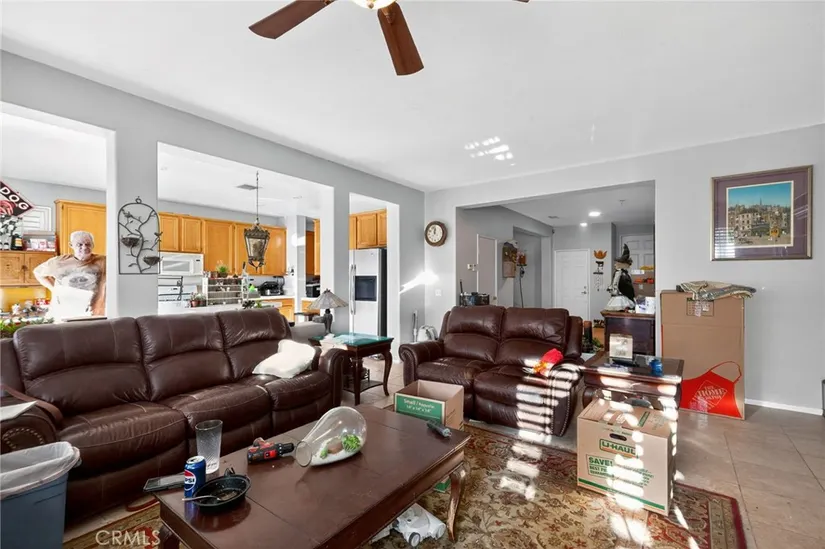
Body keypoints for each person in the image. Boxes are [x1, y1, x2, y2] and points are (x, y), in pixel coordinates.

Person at [33, 230, 106, 320]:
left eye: (88, 244)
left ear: (93, 245)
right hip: (64, 313)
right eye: (79, 244)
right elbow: (38, 273)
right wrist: (54, 289)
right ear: (71, 245)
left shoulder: (103, 261)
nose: (84, 248)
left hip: (94, 313)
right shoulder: (58, 262)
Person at [604, 244, 636, 312]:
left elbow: (622, 285)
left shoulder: (622, 273)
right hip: (620, 298)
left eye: (617, 263)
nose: (615, 264)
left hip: (622, 297)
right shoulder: (620, 273)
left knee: (621, 312)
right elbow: (617, 284)